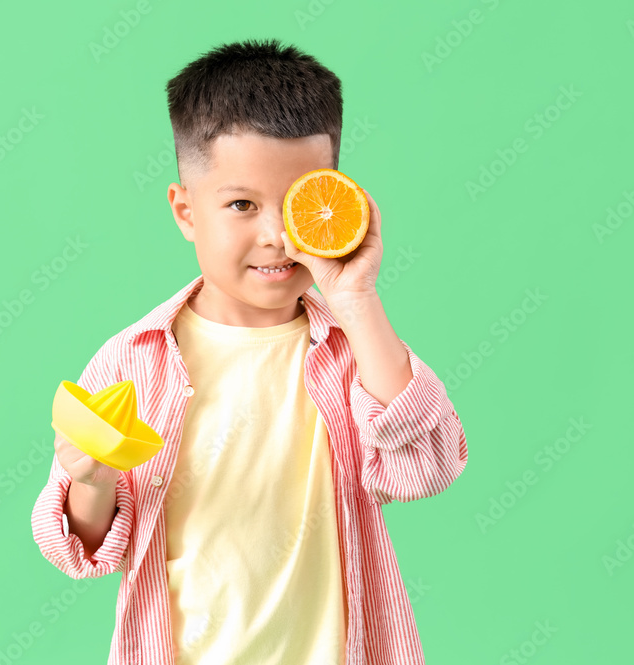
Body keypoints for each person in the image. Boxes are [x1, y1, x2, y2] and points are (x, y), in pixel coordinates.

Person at [31, 37, 468, 665]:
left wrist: (357, 298)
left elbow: (424, 470)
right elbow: (84, 550)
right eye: (241, 204)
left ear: (331, 201)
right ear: (185, 211)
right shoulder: (134, 362)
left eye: (297, 206)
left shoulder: (352, 352)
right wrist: (90, 481)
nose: (275, 237)